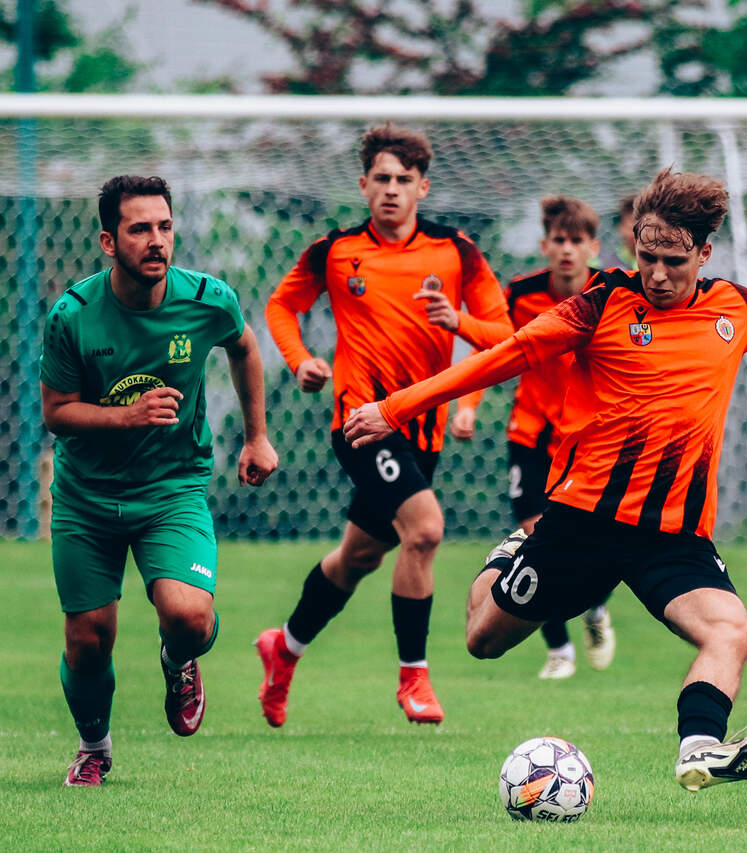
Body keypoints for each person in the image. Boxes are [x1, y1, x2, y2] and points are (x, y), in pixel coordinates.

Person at [344, 167, 747, 791]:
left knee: (732, 631)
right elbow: (502, 357)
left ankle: (699, 748)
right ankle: (513, 551)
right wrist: (395, 409)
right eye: (646, 255)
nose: (655, 273)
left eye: (673, 261)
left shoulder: (736, 309)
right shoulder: (597, 306)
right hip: (583, 525)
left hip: (673, 536)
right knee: (482, 640)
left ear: (704, 254)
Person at [255, 123, 512, 727]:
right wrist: (300, 361)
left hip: (422, 433)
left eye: (403, 179)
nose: (391, 189)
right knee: (425, 530)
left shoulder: (455, 252)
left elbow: (506, 335)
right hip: (361, 422)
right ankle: (414, 678)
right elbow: (282, 305)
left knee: (358, 558)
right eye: (381, 178)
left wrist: (459, 323)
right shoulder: (336, 250)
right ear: (363, 185)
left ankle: (284, 648)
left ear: (423, 187)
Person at [41, 175, 278, 786]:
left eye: (165, 227)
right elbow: (56, 412)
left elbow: (245, 346)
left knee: (189, 618)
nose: (157, 241)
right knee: (88, 640)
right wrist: (126, 415)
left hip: (172, 489)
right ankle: (95, 747)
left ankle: (179, 661)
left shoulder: (207, 300)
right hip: (87, 498)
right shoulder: (72, 316)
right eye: (140, 229)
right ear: (108, 241)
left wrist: (256, 436)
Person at [456, 196, 618, 680]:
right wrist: (467, 407)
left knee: (598, 544)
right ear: (545, 246)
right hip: (530, 431)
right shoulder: (522, 293)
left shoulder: (612, 293)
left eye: (577, 241)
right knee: (535, 536)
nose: (567, 250)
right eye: (559, 240)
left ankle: (594, 607)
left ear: (593, 247)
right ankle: (560, 650)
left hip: (589, 439)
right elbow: (493, 352)